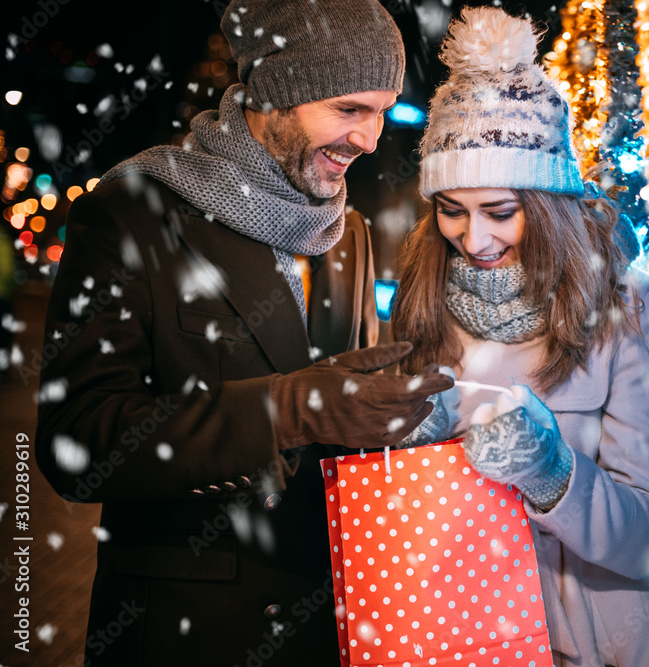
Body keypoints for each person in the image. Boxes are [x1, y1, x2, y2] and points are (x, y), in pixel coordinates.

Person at [35, 0, 453, 664]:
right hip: (192, 633)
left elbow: (346, 421)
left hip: (330, 628)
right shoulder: (132, 216)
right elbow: (77, 445)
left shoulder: (351, 236)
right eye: (349, 109)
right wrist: (287, 409)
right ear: (277, 94)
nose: (371, 139)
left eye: (381, 110)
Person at [390, 7, 649, 666]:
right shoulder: (421, 297)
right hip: (461, 636)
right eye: (450, 211)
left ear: (546, 202)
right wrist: (412, 437)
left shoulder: (620, 305)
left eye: (500, 211)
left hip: (592, 650)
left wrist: (553, 476)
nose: (475, 238)